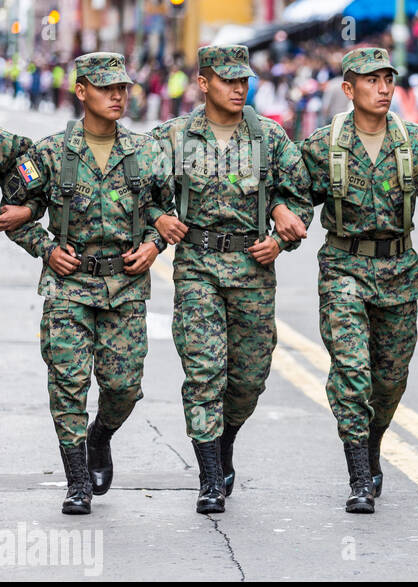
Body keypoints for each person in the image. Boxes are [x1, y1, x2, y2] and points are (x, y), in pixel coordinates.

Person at [1, 53, 171, 515]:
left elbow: (168, 213)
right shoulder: (51, 153)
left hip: (126, 285)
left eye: (122, 88)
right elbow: (12, 210)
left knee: (123, 386)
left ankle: (102, 436)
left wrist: (155, 243)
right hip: (69, 285)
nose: (117, 96)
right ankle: (76, 482)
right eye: (106, 88)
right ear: (82, 92)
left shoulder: (146, 152)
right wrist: (44, 246)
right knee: (68, 383)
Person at [300, 47, 418, 513]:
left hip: (398, 271)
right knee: (353, 373)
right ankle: (358, 475)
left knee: (389, 380)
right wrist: (282, 228)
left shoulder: (417, 144)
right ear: (349, 89)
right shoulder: (322, 146)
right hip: (344, 268)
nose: (383, 88)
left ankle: (373, 443)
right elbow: (293, 195)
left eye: (388, 79)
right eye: (371, 81)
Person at [150, 45, 312, 514]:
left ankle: (225, 443)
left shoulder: (270, 138)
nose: (239, 88)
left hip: (253, 271)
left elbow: (302, 200)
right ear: (203, 83)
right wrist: (161, 217)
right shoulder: (174, 136)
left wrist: (281, 236)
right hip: (198, 267)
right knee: (204, 373)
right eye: (227, 81)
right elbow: (137, 188)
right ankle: (208, 478)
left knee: (248, 378)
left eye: (244, 81)